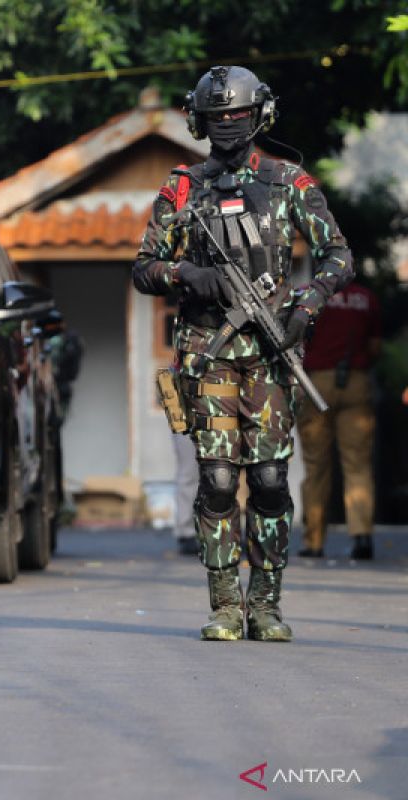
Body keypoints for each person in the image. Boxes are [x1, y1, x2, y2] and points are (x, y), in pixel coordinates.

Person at [134, 66, 353, 642]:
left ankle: (267, 603)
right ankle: (226, 604)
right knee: (218, 480)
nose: (227, 126)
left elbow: (337, 256)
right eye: (215, 118)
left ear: (260, 117)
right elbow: (144, 267)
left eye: (236, 115)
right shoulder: (181, 187)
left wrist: (305, 308)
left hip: (273, 353)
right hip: (207, 354)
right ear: (198, 122)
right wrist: (186, 273)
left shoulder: (289, 182)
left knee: (273, 478)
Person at [297, 281, 381, 559]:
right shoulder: (365, 298)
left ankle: (314, 541)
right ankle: (361, 536)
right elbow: (375, 346)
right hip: (355, 382)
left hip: (315, 383)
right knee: (357, 463)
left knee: (315, 466)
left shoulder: (308, 294)